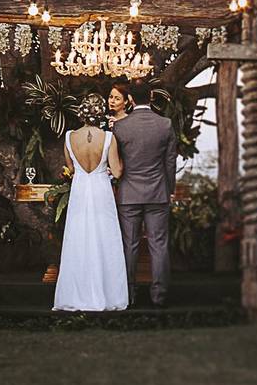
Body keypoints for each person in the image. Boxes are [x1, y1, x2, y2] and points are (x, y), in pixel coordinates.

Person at [53, 93, 129, 312]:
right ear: (100, 114)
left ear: (82, 113)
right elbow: (117, 171)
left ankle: (77, 294)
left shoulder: (69, 137)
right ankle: (107, 294)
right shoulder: (108, 138)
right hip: (101, 190)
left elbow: (71, 169)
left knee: (78, 239)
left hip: (79, 191)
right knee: (104, 239)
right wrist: (117, 164)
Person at [113, 79, 177, 308]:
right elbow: (170, 162)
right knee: (158, 245)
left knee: (128, 245)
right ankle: (159, 296)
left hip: (129, 194)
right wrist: (170, 190)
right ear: (151, 96)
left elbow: (116, 164)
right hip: (158, 193)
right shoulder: (166, 124)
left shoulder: (120, 127)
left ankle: (128, 295)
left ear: (130, 99)